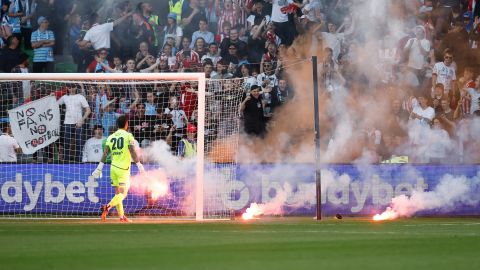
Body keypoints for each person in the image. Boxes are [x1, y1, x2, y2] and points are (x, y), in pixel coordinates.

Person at [92, 115, 145, 223]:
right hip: (123, 169)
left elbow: (105, 154)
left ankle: (121, 217)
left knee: (118, 194)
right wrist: (140, 166)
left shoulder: (110, 137)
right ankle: (107, 207)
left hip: (113, 168)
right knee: (123, 194)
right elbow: (132, 151)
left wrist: (99, 168)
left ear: (117, 125)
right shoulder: (128, 135)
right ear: (126, 124)